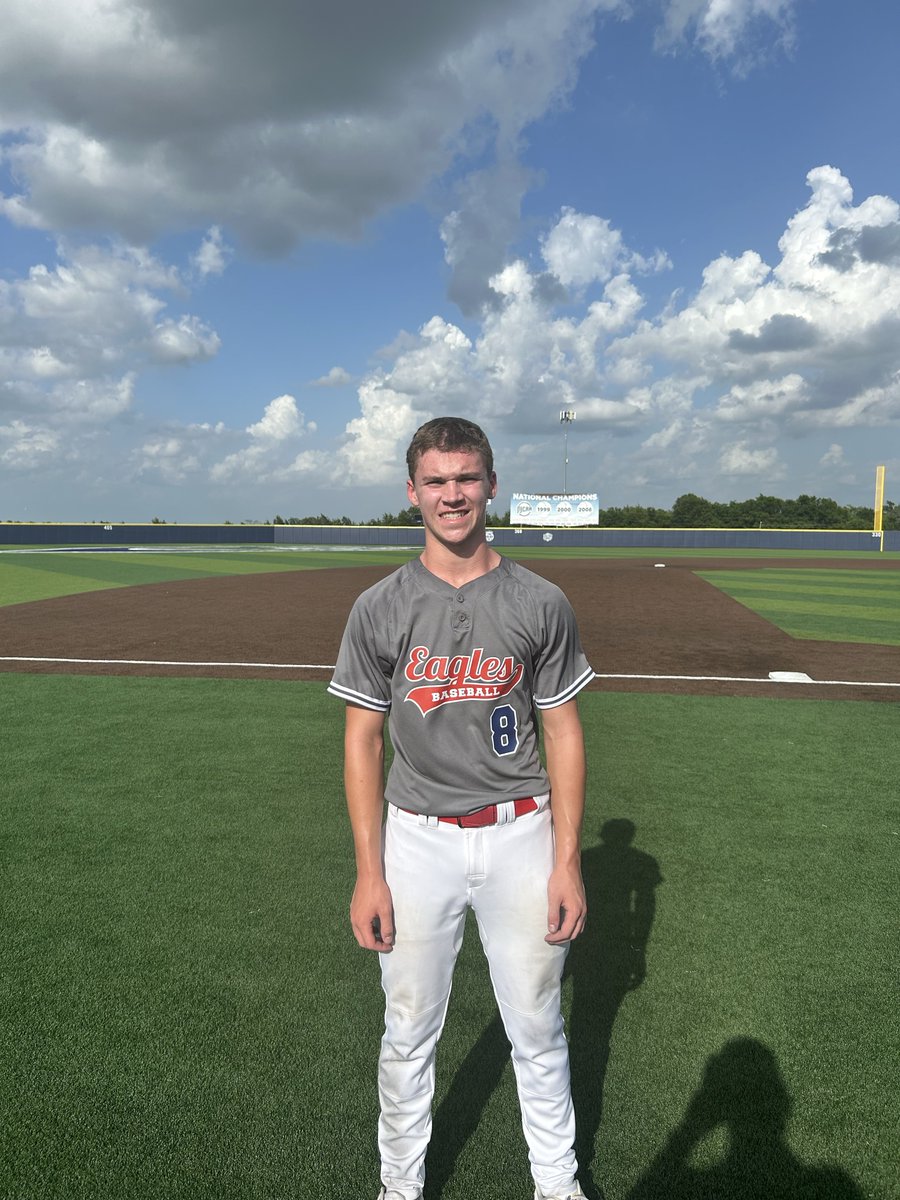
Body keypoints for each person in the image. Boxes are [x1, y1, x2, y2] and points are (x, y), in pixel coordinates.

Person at [328, 416, 594, 1200]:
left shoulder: (540, 599)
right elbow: (361, 742)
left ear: (491, 485)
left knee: (538, 1028)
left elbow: (564, 728)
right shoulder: (379, 607)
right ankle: (399, 1188)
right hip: (418, 840)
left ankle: (558, 1185)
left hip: (522, 833)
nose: (453, 495)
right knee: (407, 1031)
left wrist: (568, 861)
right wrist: (368, 873)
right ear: (412, 492)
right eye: (437, 481)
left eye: (467, 478)